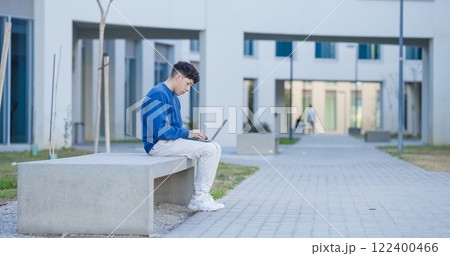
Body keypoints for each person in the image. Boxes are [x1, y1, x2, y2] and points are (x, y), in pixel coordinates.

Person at [141, 61, 224, 212]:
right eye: (188, 84)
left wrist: (193, 136)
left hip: (168, 142)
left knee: (215, 147)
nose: (187, 89)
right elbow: (159, 130)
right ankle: (199, 198)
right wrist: (187, 133)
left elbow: (176, 128)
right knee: (209, 150)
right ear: (178, 76)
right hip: (157, 144)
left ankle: (202, 197)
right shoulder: (158, 93)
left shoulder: (174, 98)